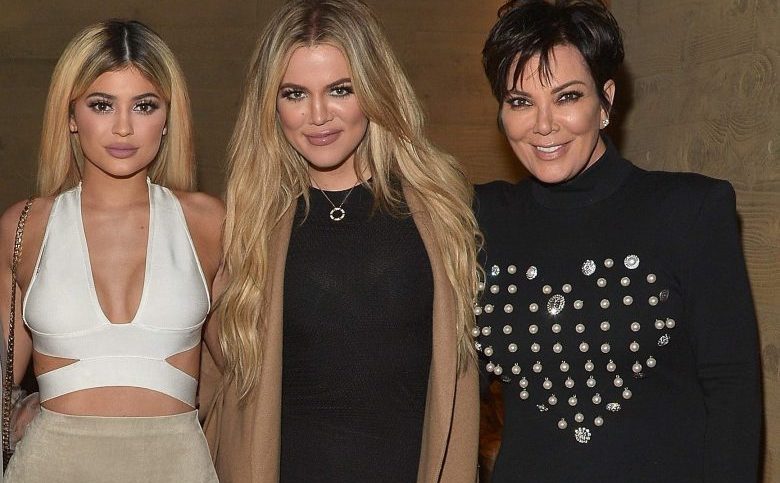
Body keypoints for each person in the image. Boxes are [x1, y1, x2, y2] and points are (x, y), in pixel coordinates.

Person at [475, 1, 761, 481]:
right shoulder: (481, 218)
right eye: (520, 101)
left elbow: (731, 388)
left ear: (605, 101)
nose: (543, 124)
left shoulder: (689, 210)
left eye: (567, 97)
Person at [199, 0, 482, 481]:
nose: (317, 115)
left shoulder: (442, 212)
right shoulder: (244, 227)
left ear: (375, 89)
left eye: (340, 90)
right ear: (271, 104)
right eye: (294, 93)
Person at [0, 19, 223, 482]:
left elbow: (245, 375)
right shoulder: (23, 226)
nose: (123, 127)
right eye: (102, 105)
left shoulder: (209, 223)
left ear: (168, 117)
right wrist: (21, 414)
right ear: (70, 115)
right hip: (50, 466)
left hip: (178, 466)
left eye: (144, 105)